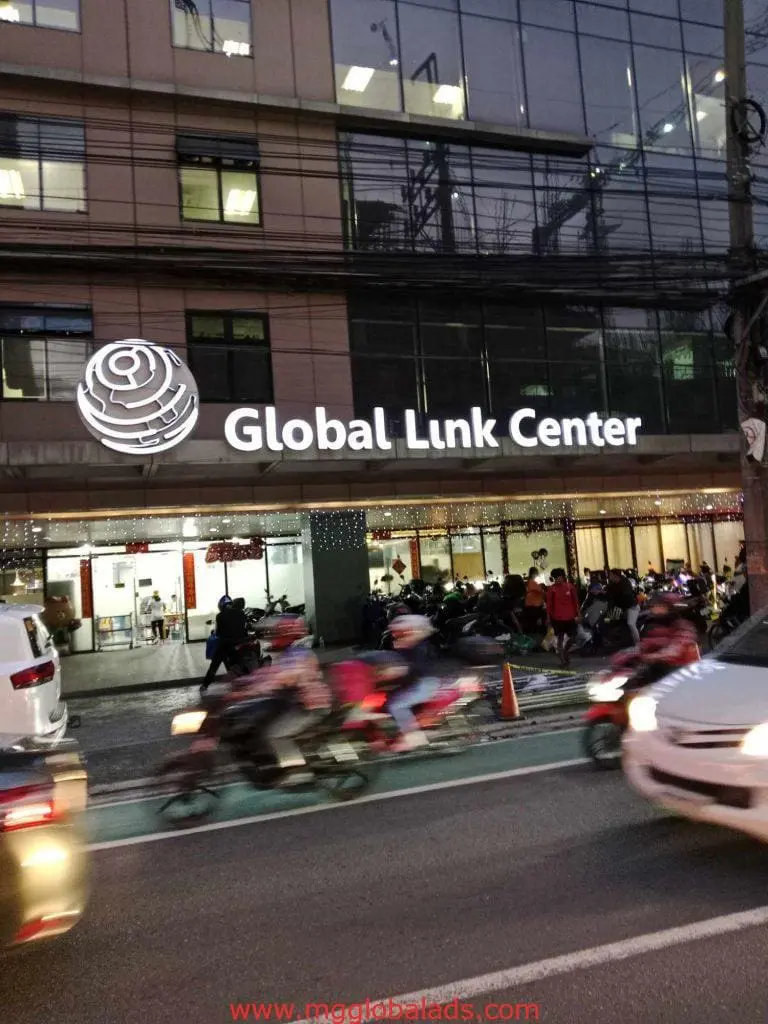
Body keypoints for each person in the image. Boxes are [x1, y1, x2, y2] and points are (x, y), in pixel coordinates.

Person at [386, 614, 441, 751]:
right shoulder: (405, 647)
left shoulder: (420, 648)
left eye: (402, 632)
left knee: (397, 706)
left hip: (425, 683)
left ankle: (414, 738)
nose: (397, 635)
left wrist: (399, 671)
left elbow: (415, 669)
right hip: (414, 683)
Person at [201, 595, 248, 693]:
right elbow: (244, 629)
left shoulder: (220, 616)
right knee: (239, 663)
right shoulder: (242, 613)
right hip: (239, 643)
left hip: (225, 644)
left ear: (221, 605)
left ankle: (205, 685)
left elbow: (218, 633)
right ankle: (245, 681)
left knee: (214, 665)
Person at [546, 569, 580, 667]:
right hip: (557, 618)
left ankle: (565, 651)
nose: (557, 579)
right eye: (555, 578)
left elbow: (576, 602)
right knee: (559, 639)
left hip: (570, 617)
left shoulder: (570, 587)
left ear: (563, 576)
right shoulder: (552, 589)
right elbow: (549, 605)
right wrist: (548, 618)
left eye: (558, 577)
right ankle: (563, 661)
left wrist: (578, 614)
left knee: (573, 637)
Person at [607, 567, 640, 645]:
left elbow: (626, 596)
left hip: (631, 607)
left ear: (615, 575)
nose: (610, 577)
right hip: (621, 608)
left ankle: (638, 644)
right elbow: (608, 592)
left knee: (631, 624)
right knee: (608, 620)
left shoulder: (625, 582)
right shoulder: (613, 584)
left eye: (611, 575)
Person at [523, 567, 547, 633]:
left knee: (533, 621)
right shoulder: (532, 582)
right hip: (533, 605)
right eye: (536, 573)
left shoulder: (530, 582)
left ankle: (536, 632)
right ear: (534, 573)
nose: (537, 575)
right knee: (540, 616)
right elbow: (540, 591)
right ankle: (541, 631)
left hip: (531, 604)